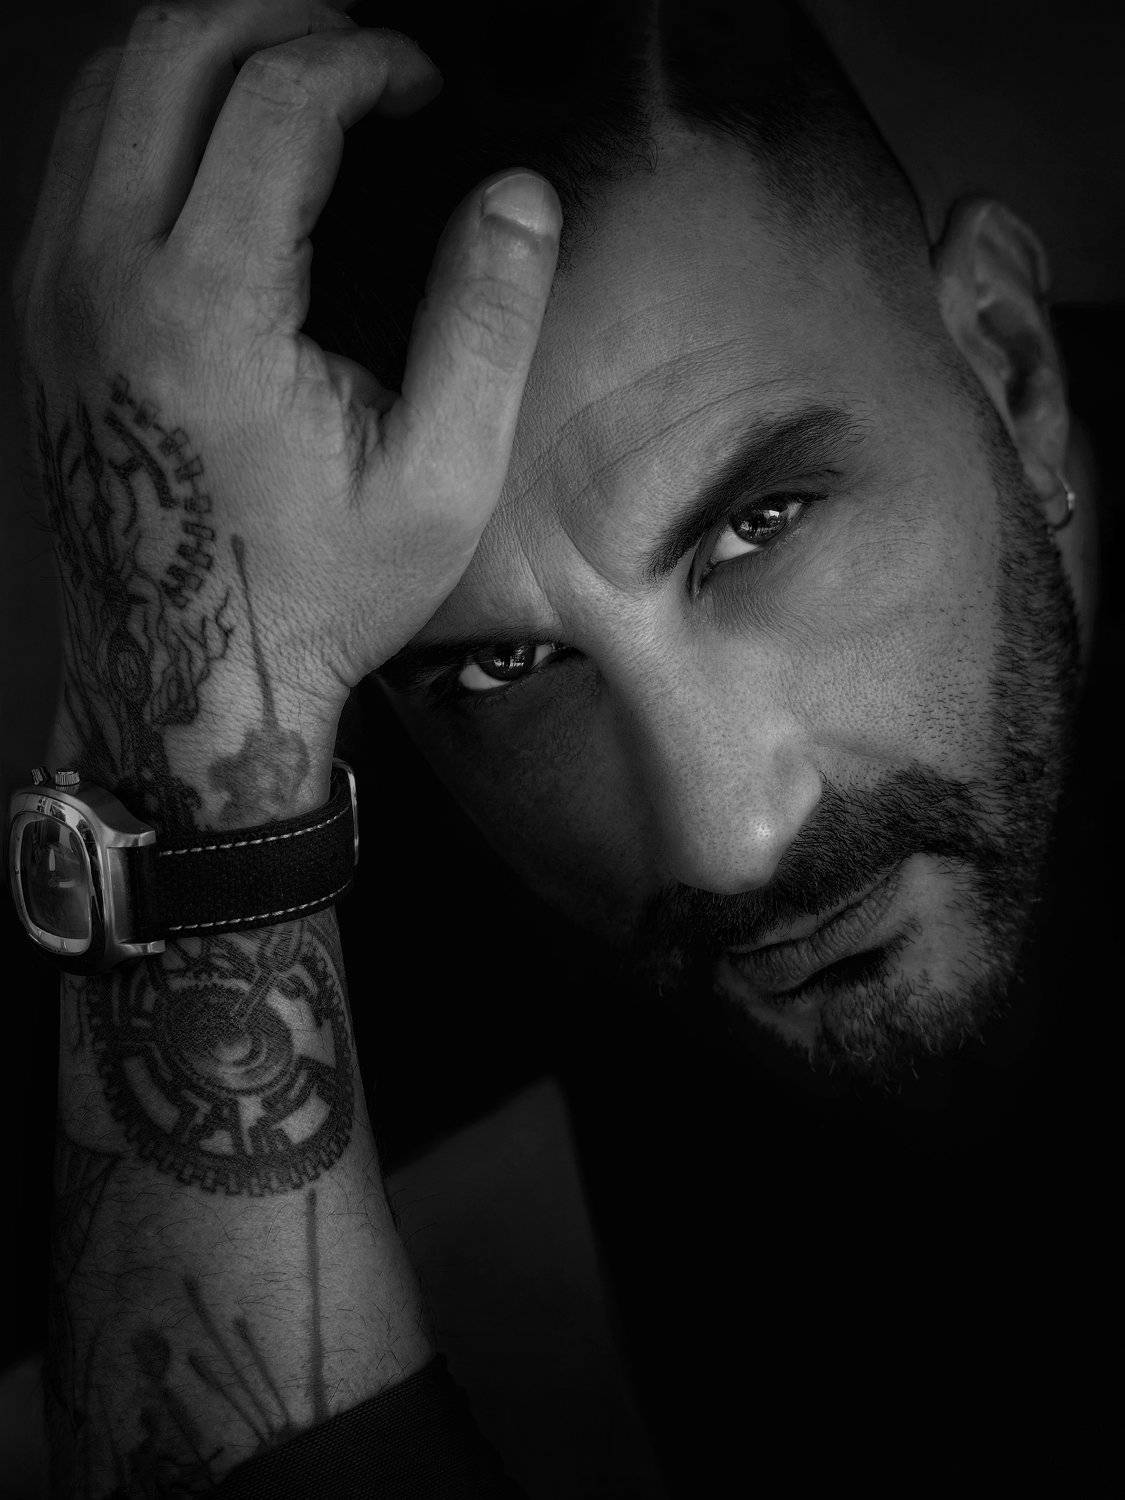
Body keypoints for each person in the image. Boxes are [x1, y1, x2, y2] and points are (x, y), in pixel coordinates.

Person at [7, 0, 1113, 1494]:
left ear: (1011, 366)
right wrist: (176, 698)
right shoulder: (376, 780)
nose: (726, 840)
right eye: (509, 664)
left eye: (759, 526)